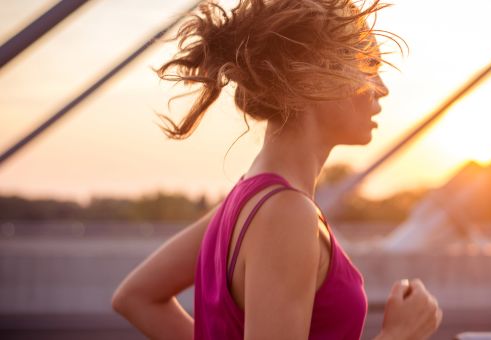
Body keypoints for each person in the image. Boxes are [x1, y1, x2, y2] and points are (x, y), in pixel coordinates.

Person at [112, 0, 442, 339]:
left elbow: (137, 298)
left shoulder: (250, 198)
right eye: (367, 66)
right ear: (316, 78)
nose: (383, 88)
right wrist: (399, 336)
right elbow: (134, 299)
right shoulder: (287, 215)